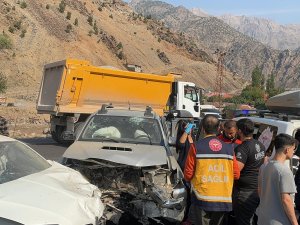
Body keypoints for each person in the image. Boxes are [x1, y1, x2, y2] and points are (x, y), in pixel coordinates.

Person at [184, 115, 240, 225]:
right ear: (219, 128)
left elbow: (188, 174)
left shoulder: (196, 147)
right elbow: (236, 175)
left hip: (201, 198)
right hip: (223, 199)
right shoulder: (229, 149)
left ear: (203, 129)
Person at [257, 133, 298, 225]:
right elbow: (286, 200)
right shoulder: (284, 171)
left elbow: (259, 191)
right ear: (287, 150)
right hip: (279, 221)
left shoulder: (264, 166)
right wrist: (295, 223)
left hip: (263, 218)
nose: (294, 151)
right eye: (293, 148)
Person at [233, 118, 266, 225]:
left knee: (244, 221)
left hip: (244, 192)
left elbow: (236, 170)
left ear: (240, 131)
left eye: (237, 129)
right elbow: (263, 162)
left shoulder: (242, 148)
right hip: (256, 189)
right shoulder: (260, 145)